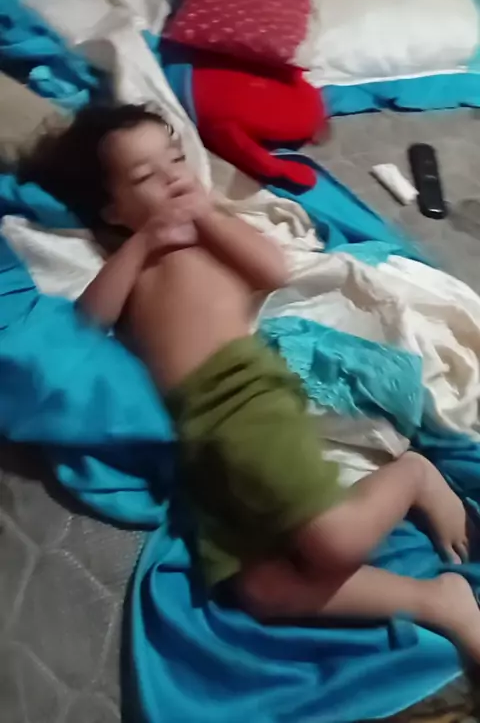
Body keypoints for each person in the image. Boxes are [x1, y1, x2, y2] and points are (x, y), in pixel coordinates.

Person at [22, 104, 480, 663]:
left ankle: (413, 475)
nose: (173, 178)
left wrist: (208, 214)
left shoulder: (208, 233)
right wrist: (141, 244)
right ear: (114, 211)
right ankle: (433, 600)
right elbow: (88, 321)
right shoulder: (130, 264)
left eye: (176, 159)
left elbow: (272, 270)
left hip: (244, 398)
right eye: (145, 176)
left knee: (334, 543)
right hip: (196, 441)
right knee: (262, 590)